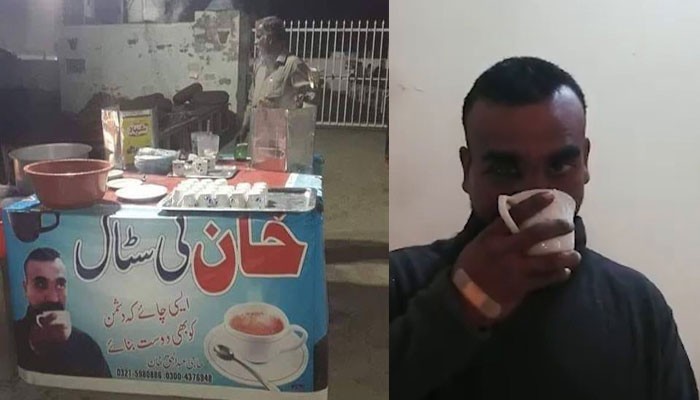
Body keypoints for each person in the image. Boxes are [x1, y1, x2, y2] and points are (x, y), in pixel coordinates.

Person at [389, 57, 698, 399]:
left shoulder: (638, 305)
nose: (537, 192)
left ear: (585, 163)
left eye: (560, 165)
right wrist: (462, 303)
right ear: (467, 169)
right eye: (505, 169)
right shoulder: (399, 281)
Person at [14, 248, 111, 378]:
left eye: (60, 284)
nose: (53, 298)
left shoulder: (87, 347)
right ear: (26, 289)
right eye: (41, 284)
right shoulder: (11, 337)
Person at [236, 16, 315, 143]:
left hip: (283, 142)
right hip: (259, 140)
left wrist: (281, 113)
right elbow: (251, 102)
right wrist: (244, 128)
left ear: (270, 39)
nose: (255, 42)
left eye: (259, 36)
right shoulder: (259, 66)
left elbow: (308, 107)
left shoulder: (293, 65)